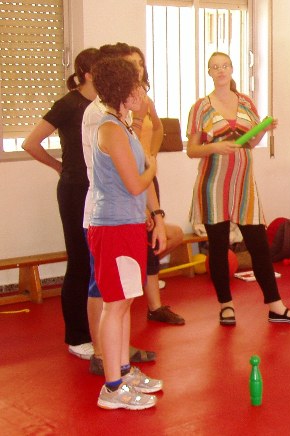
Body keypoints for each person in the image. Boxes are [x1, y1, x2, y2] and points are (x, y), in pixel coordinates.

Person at [186, 52, 290, 326]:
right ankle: (225, 305)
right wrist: (215, 147)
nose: (220, 71)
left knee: (258, 245)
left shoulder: (245, 103)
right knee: (218, 248)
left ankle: (276, 306)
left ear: (231, 69)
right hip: (213, 184)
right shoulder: (201, 107)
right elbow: (192, 150)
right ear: (209, 72)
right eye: (214, 67)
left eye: (224, 66)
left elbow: (250, 143)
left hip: (244, 185)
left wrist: (264, 130)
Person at [88, 57, 164, 410]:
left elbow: (131, 186)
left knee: (126, 302)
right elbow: (135, 183)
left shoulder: (126, 126)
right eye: (137, 85)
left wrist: (150, 215)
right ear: (122, 90)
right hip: (113, 228)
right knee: (114, 305)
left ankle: (123, 369)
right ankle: (112, 388)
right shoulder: (110, 129)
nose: (143, 92)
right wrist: (152, 167)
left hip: (129, 225)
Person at [22, 48, 100, 360]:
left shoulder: (101, 104)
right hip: (74, 190)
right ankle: (77, 337)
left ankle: (96, 328)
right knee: (80, 260)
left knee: (97, 260)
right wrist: (59, 167)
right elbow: (30, 142)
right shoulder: (68, 104)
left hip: (98, 189)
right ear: (88, 73)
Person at [126, 45, 186, 325]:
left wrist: (150, 154)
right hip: (130, 181)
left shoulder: (145, 99)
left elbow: (159, 128)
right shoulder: (120, 102)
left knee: (154, 239)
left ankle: (155, 306)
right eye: (131, 63)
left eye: (140, 62)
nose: (137, 67)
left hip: (148, 175)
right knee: (139, 240)